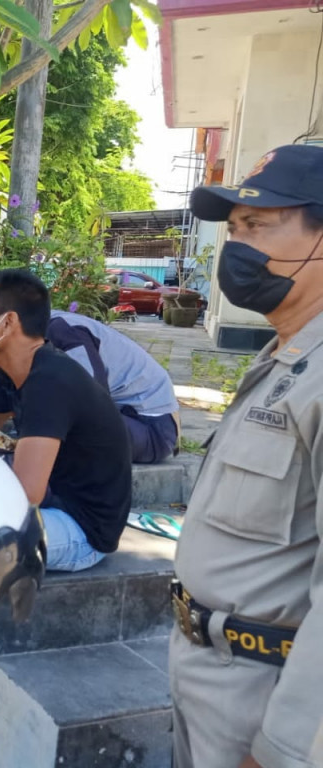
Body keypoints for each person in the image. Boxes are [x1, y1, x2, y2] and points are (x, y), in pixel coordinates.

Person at [169, 144, 323, 768]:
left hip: (266, 695)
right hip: (205, 668)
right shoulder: (281, 359)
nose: (236, 246)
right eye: (233, 229)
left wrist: (285, 749)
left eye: (258, 224)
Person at [0, 269, 132, 572]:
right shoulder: (14, 369)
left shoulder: (49, 382)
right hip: (53, 503)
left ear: (8, 323)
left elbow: (26, 491)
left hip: (82, 530)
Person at [45, 309, 180, 464]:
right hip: (129, 418)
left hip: (152, 429)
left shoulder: (63, 331)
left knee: (54, 436)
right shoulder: (47, 326)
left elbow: (91, 400)